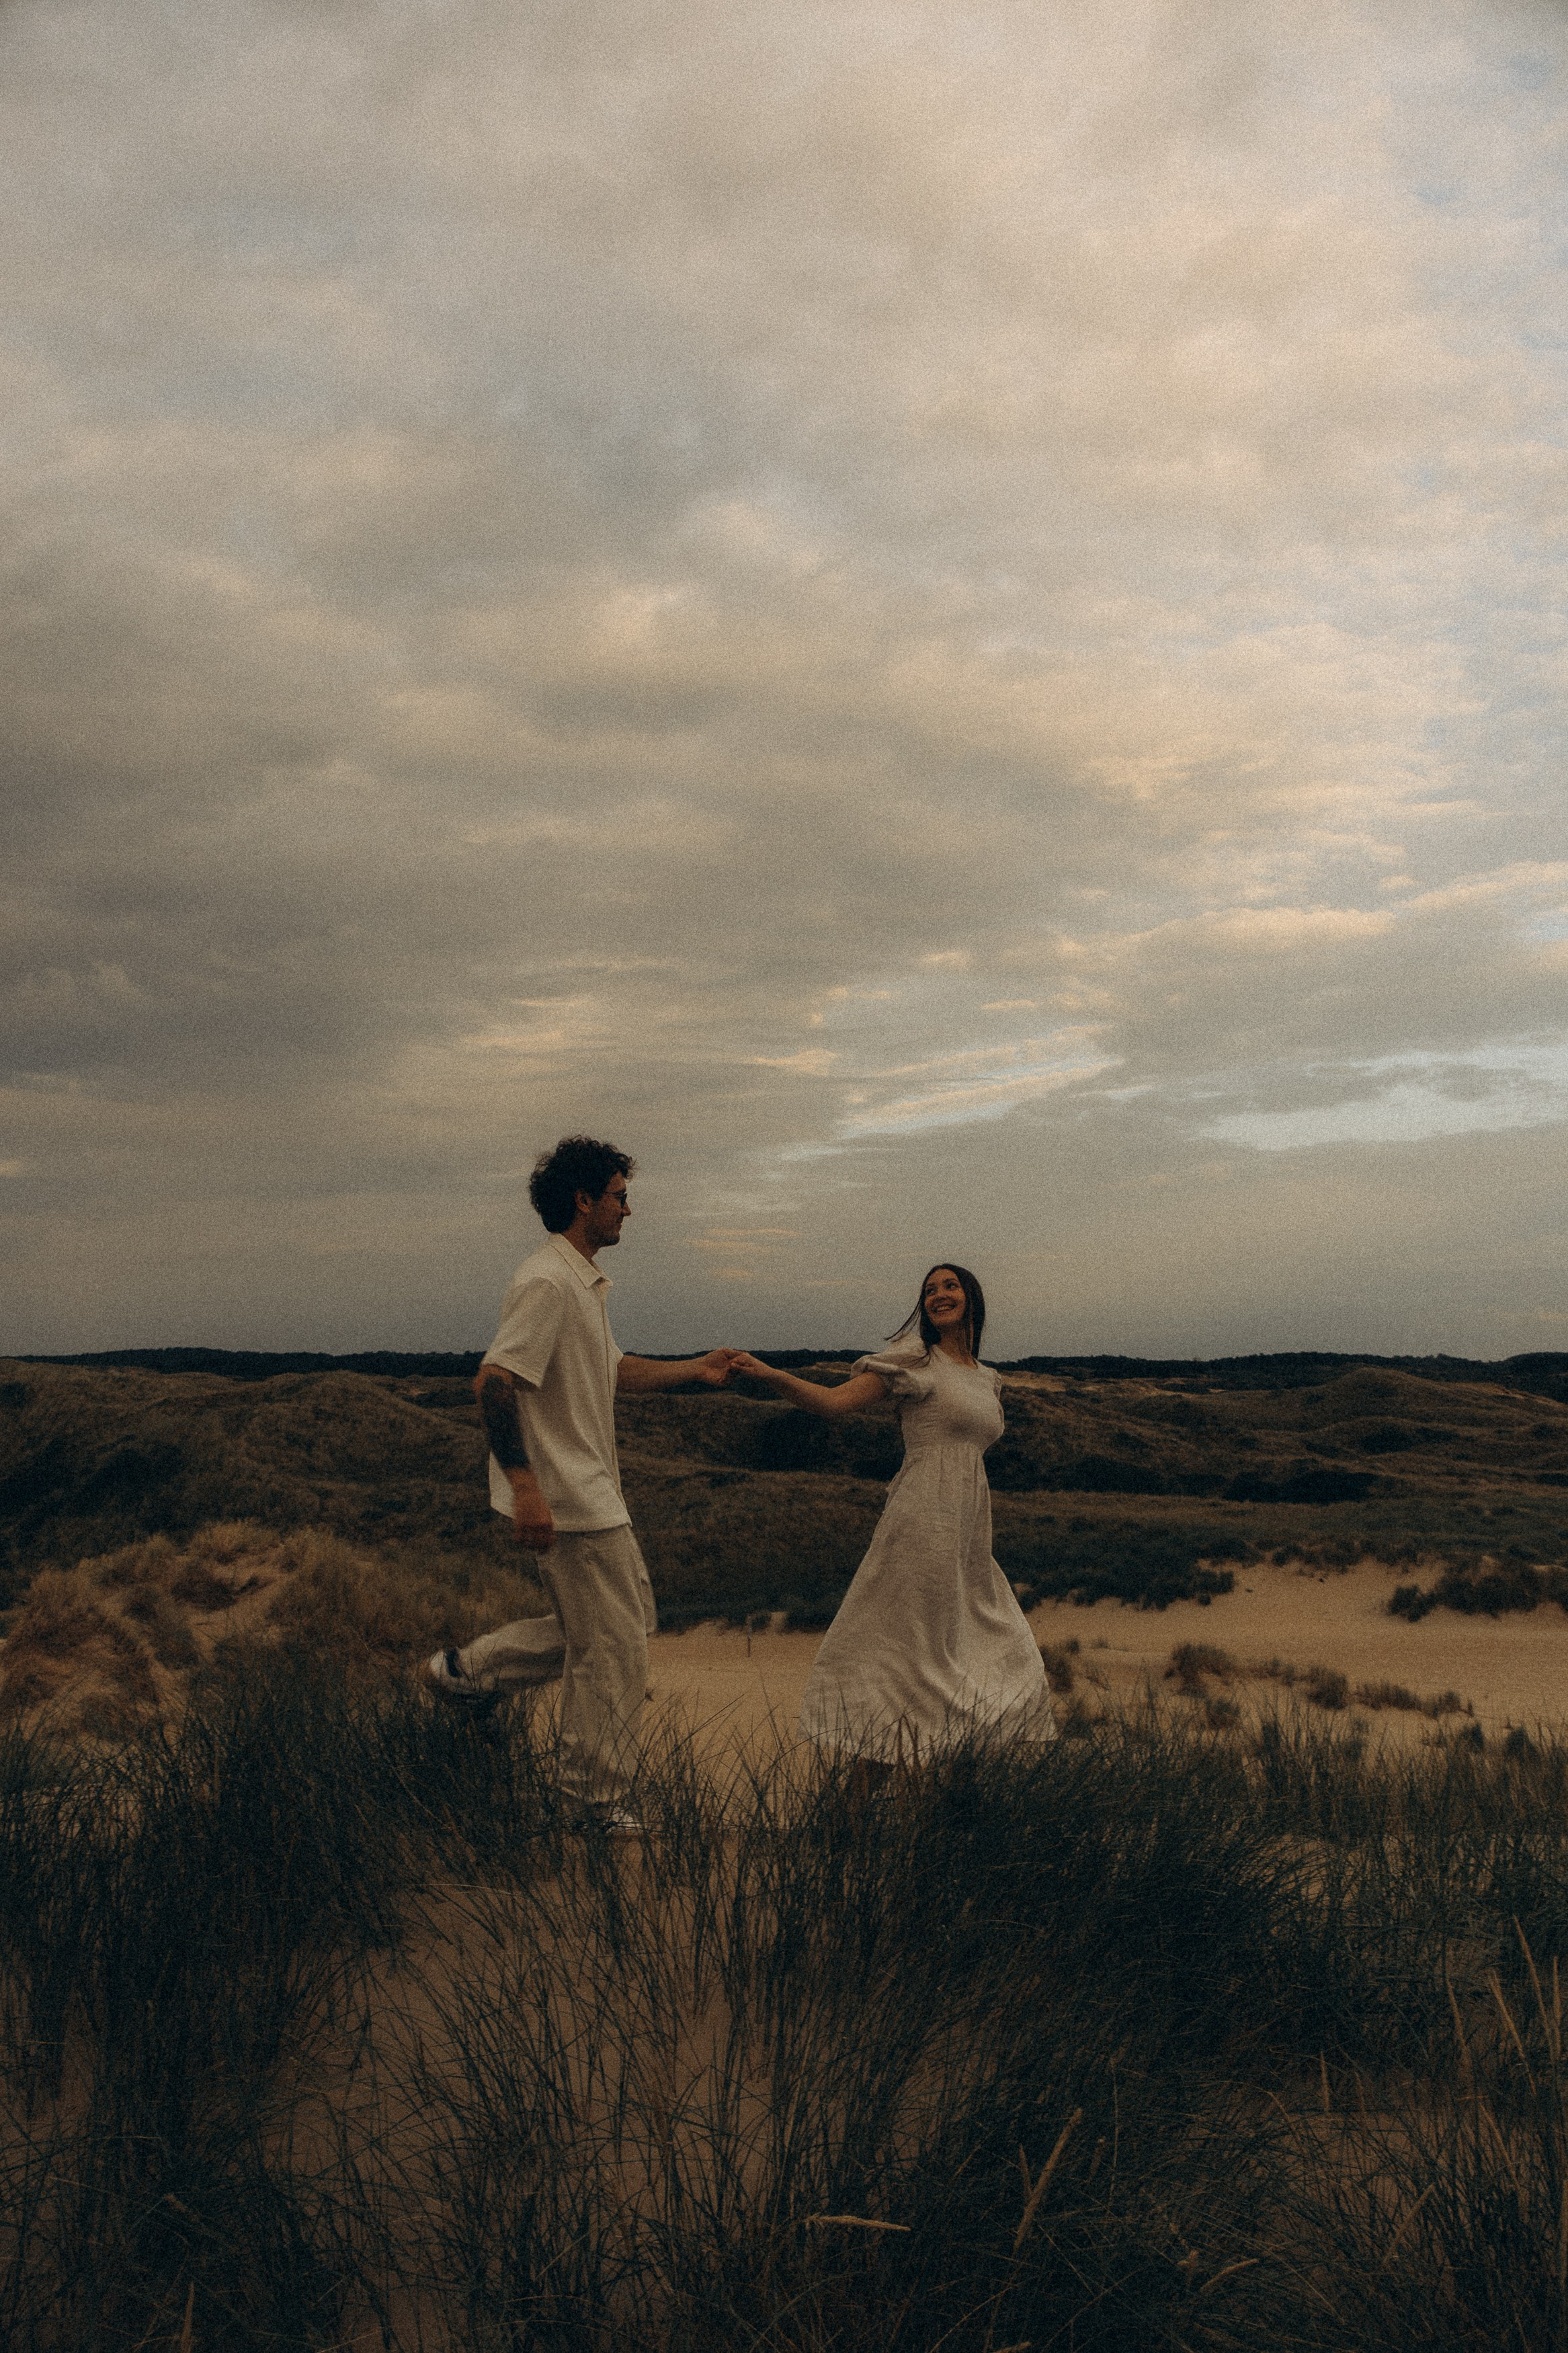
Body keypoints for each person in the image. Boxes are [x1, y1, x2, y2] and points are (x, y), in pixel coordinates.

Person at [427, 1135, 737, 1834]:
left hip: (592, 1490)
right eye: (620, 1195)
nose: (630, 1208)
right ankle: (589, 1801)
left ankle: (465, 1671)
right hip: (571, 1498)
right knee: (614, 1646)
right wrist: (525, 1486)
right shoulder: (547, 1280)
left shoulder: (580, 1282)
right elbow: (495, 1381)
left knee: (602, 1631)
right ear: (583, 1200)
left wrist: (698, 1368)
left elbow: (613, 1369)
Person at [729, 1264, 1053, 1777]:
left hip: (967, 1532)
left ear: (972, 1296)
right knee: (914, 1658)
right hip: (922, 1519)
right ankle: (914, 1811)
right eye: (929, 1290)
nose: (938, 1295)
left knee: (993, 1644)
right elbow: (834, 1403)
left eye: (949, 1286)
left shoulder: (988, 1379)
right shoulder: (914, 1361)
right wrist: (770, 1374)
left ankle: (852, 1814)